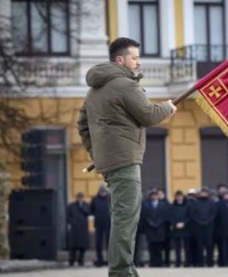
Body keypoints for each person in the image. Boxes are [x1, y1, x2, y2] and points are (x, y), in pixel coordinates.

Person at [77, 37, 177, 277]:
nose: (138, 63)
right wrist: (168, 107)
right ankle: (121, 272)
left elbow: (82, 125)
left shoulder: (94, 90)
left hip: (110, 163)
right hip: (125, 161)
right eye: (135, 58)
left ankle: (125, 269)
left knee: (121, 216)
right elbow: (148, 115)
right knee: (126, 218)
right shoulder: (125, 85)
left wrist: (97, 153)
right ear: (120, 59)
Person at [67, 192, 90, 266]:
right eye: (79, 197)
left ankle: (81, 260)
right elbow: (68, 216)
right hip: (75, 228)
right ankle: (72, 260)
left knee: (82, 246)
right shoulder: (72, 205)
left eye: (81, 197)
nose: (80, 199)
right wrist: (71, 222)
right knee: (73, 246)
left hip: (83, 228)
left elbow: (88, 213)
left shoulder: (86, 205)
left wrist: (82, 208)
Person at [91, 184, 111, 267]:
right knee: (98, 243)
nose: (103, 193)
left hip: (108, 224)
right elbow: (91, 210)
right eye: (101, 191)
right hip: (98, 224)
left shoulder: (110, 199)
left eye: (104, 192)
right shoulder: (95, 199)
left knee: (109, 244)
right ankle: (100, 260)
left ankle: (110, 261)